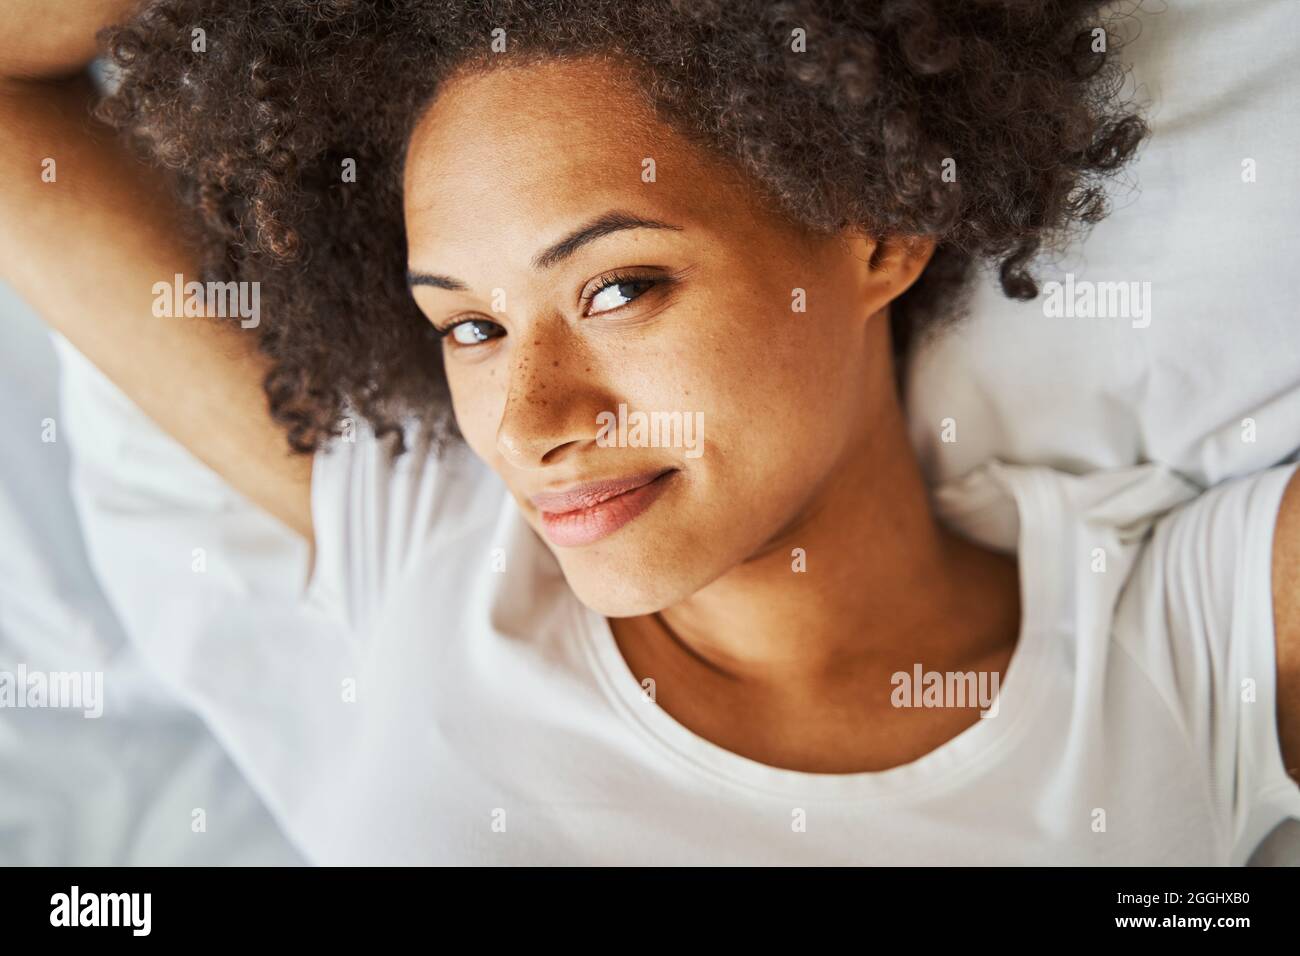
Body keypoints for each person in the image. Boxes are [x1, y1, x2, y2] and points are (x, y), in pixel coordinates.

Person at [2, 0, 1297, 864]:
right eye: (468, 328)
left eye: (618, 289)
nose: (533, 426)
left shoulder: (1181, 649)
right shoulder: (433, 534)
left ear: (881, 229)